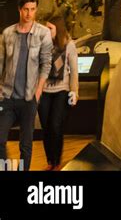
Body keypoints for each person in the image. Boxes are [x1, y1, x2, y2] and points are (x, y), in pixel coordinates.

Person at [0, 0, 53, 171]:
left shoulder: (43, 34)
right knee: (0, 139)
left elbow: (46, 64)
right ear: (19, 10)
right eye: (25, 10)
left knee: (26, 144)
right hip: (6, 97)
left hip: (29, 98)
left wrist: (38, 92)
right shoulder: (7, 33)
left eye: (32, 9)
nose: (29, 14)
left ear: (35, 10)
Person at [39, 17, 79, 171]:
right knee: (46, 127)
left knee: (56, 126)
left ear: (58, 29)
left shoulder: (69, 45)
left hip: (62, 91)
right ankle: (50, 160)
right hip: (44, 91)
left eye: (50, 28)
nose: (47, 31)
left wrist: (74, 91)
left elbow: (74, 71)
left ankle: (57, 161)